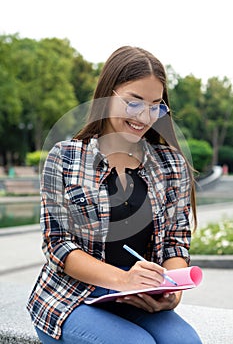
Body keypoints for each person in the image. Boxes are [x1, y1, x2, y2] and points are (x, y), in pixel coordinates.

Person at [27, 46, 202, 344]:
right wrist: (122, 279)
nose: (145, 117)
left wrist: (171, 292)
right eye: (134, 103)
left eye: (156, 106)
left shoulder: (170, 164)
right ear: (108, 95)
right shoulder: (65, 158)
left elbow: (175, 244)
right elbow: (58, 246)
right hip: (71, 295)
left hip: (136, 295)